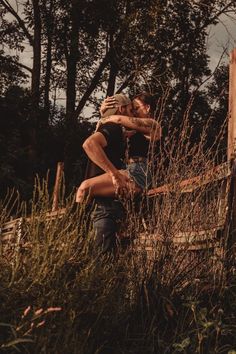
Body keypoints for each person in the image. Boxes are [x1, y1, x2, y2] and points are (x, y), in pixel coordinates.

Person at [76, 92, 161, 203]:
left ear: (147, 107)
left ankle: (77, 219)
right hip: (127, 169)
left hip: (139, 172)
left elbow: (120, 119)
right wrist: (105, 113)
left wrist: (107, 117)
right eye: (132, 109)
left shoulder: (153, 124)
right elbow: (108, 135)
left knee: (85, 187)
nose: (134, 112)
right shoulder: (131, 129)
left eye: (136, 108)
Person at [78, 94, 133, 254]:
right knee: (102, 265)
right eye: (130, 109)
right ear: (122, 109)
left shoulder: (112, 129)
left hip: (96, 204)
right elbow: (89, 144)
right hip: (105, 206)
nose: (132, 113)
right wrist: (114, 174)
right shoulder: (113, 128)